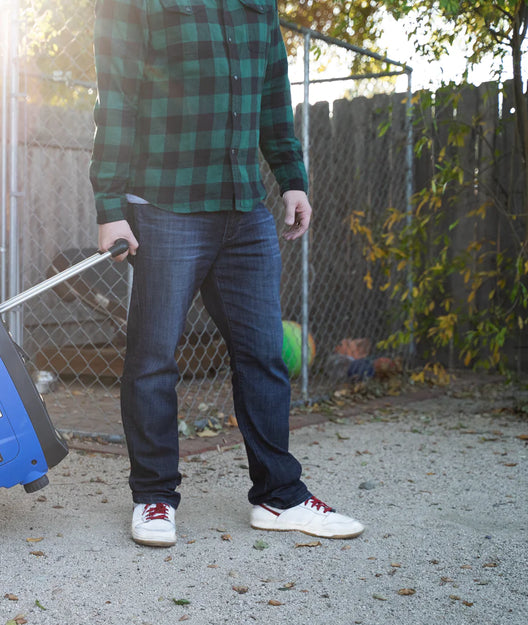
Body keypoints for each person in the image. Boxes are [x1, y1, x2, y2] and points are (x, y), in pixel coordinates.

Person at [89, 0, 364, 547]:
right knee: (152, 359)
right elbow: (116, 98)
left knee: (263, 356)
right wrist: (109, 204)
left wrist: (291, 176)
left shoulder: (256, 4)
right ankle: (155, 498)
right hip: (165, 206)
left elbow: (272, 93)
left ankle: (278, 497)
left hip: (244, 209)